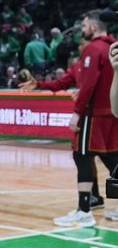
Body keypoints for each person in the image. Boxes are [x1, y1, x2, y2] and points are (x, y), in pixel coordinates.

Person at [51, 10, 118, 227]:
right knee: (112, 159)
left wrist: (77, 112)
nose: (82, 29)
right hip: (113, 112)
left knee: (82, 156)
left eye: (85, 25)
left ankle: (84, 210)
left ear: (94, 27)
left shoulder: (93, 49)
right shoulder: (112, 47)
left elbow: (88, 85)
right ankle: (93, 202)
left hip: (95, 114)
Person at [21, 38, 105, 209]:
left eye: (84, 44)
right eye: (80, 44)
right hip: (89, 117)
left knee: (107, 157)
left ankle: (86, 206)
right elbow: (60, 83)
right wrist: (39, 85)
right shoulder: (78, 66)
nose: (82, 47)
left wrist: (81, 95)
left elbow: (101, 85)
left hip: (102, 116)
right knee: (84, 156)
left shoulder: (103, 59)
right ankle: (94, 197)